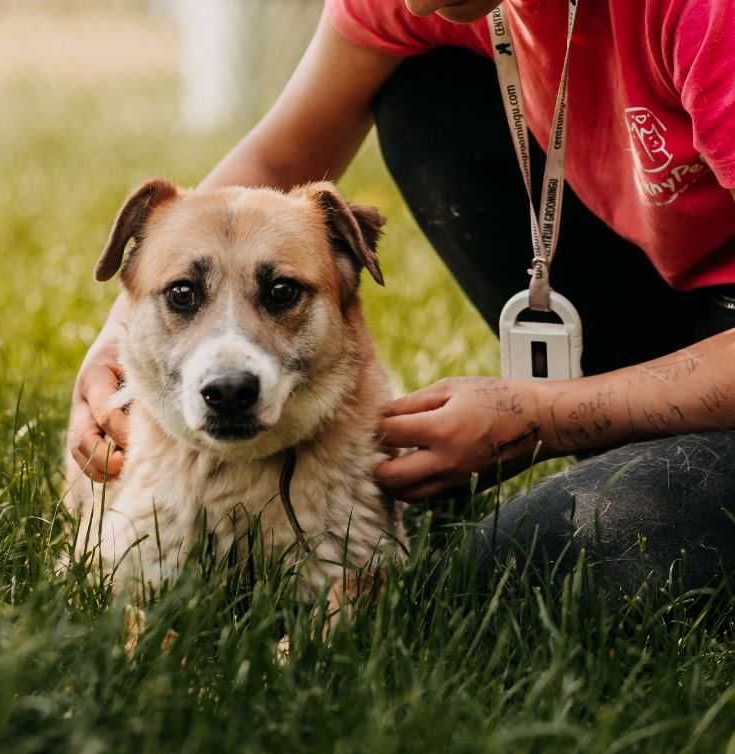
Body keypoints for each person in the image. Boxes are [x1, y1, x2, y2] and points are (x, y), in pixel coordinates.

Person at [68, 0, 735, 594]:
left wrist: (548, 417)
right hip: (677, 320)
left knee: (531, 560)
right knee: (421, 88)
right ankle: (628, 426)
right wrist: (118, 341)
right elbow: (275, 166)